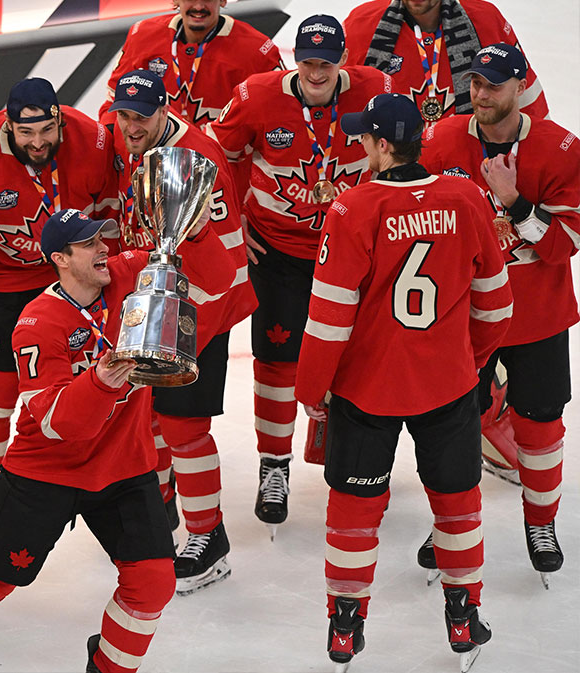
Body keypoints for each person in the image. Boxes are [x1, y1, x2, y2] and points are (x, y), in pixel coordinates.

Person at [0, 208, 230, 673]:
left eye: (104, 238)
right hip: (45, 474)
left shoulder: (130, 274)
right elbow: (59, 425)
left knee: (153, 583)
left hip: (123, 468)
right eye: (89, 243)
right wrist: (102, 379)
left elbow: (216, 279)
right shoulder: (36, 324)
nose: (104, 248)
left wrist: (194, 230)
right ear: (60, 258)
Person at [293, 93, 512, 671]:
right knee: (458, 505)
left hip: (369, 390)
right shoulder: (466, 197)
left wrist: (311, 391)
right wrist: (469, 360)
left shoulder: (352, 209)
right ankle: (463, 615)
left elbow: (328, 317)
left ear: (383, 146)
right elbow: (495, 304)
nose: (359, 144)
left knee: (353, 510)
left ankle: (345, 626)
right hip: (448, 384)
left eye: (364, 136)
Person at [206, 15, 392, 536]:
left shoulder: (376, 89)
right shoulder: (257, 94)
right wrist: (233, 220)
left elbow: (398, 153)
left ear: (341, 60)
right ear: (295, 59)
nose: (316, 71)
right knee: (275, 358)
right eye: (308, 61)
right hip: (281, 249)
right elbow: (218, 156)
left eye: (326, 62)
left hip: (352, 250)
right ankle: (274, 465)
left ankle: (352, 459)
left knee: (357, 356)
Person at [420, 44, 578, 587]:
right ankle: (451, 526)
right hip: (464, 316)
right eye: (475, 85)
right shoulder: (442, 139)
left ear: (519, 88)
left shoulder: (560, 150)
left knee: (540, 425)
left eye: (493, 85)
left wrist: (514, 204)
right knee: (453, 424)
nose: (480, 95)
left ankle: (542, 524)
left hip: (537, 316)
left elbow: (566, 244)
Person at [0, 77, 119, 542]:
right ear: (9, 126)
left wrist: (118, 283)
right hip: (7, 280)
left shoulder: (93, 141)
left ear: (59, 118)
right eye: (27, 134)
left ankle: (114, 483)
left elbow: (113, 219)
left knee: (95, 384)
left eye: (47, 130)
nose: (38, 142)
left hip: (76, 278)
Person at [110, 69, 253, 594]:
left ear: (165, 110)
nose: (129, 126)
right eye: (122, 115)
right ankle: (163, 514)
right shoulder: (129, 139)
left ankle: (207, 536)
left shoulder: (199, 160)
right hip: (150, 299)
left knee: (184, 430)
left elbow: (223, 264)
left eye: (140, 117)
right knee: (146, 423)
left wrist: (186, 324)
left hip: (198, 308)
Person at [344, 0, 548, 123]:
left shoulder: (486, 21)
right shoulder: (360, 25)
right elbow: (336, 108)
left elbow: (528, 107)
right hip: (389, 180)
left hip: (467, 174)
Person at [99, 0, 282, 125]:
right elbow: (113, 105)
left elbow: (281, 116)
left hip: (224, 169)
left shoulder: (257, 49)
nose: (198, 6)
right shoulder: (142, 35)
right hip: (154, 166)